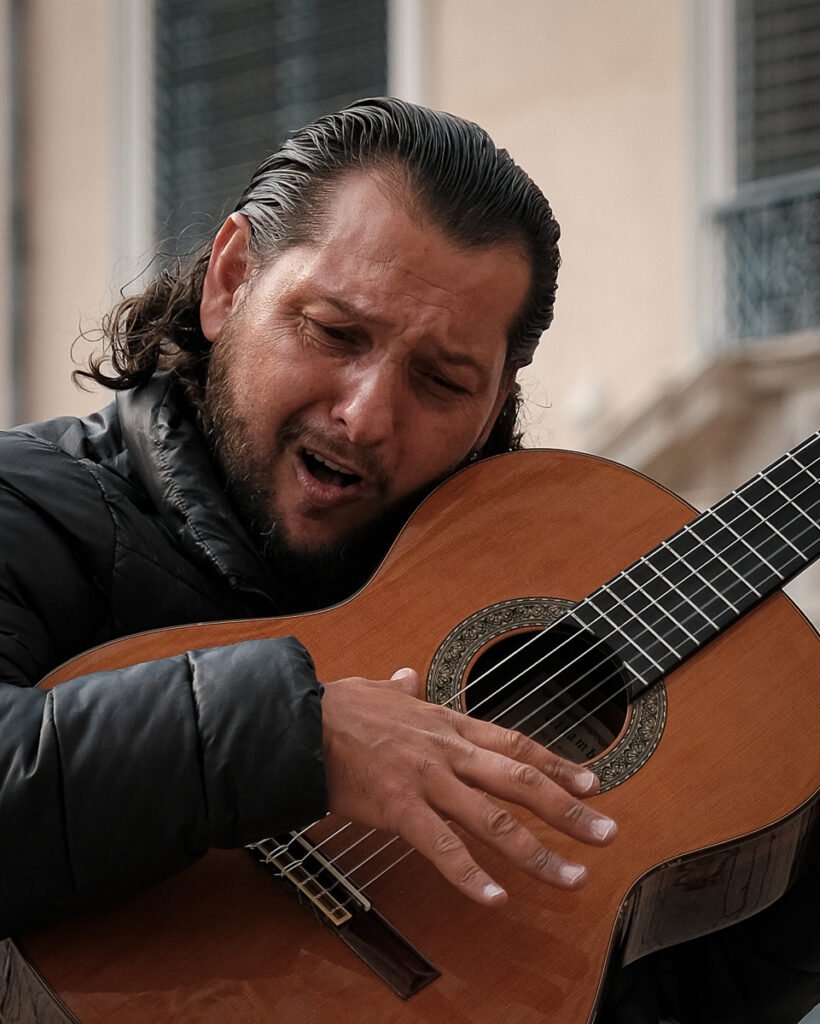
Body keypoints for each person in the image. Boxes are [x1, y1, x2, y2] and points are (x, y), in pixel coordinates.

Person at [0, 97, 816, 1023]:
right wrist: (301, 736)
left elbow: (659, 993)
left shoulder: (518, 570)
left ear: (497, 402)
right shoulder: (26, 502)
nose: (367, 414)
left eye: (441, 380)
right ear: (229, 281)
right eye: (335, 332)